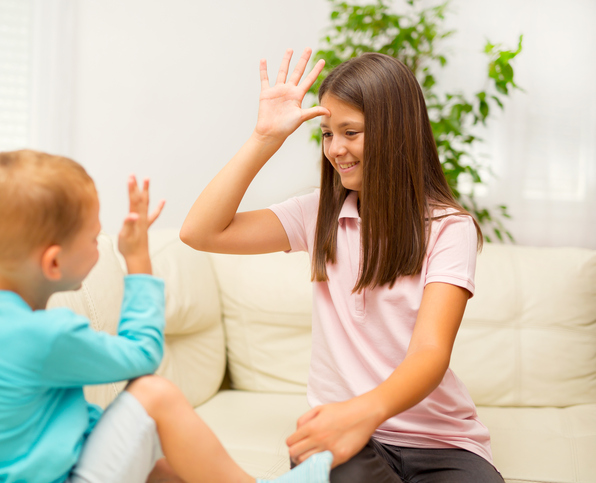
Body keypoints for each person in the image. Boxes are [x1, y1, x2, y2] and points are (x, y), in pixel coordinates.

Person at [180, 49, 505, 483]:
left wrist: (361, 413)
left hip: (438, 440)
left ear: (395, 133)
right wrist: (265, 138)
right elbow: (200, 232)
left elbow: (430, 352)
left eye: (350, 132)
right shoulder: (319, 215)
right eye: (327, 133)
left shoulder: (449, 228)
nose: (335, 149)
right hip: (341, 437)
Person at [0, 149, 333, 483]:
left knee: (160, 467)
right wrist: (138, 260)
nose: (100, 247)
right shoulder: (44, 334)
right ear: (54, 263)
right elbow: (142, 354)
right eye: (93, 239)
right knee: (152, 394)